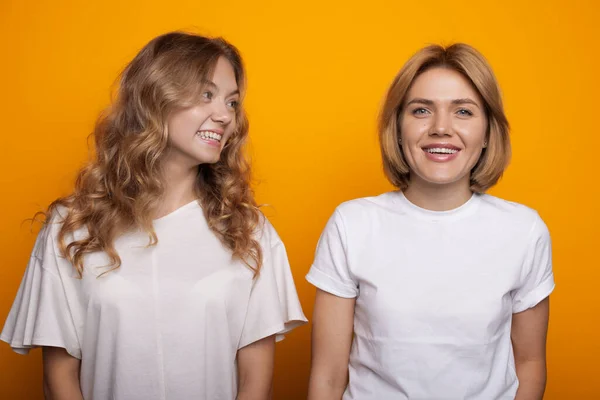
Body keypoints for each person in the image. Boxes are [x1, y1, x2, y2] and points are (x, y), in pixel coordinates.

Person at [1, 31, 306, 400]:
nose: (225, 115)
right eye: (206, 95)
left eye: (232, 102)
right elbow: (59, 378)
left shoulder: (249, 232)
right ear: (156, 98)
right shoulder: (72, 227)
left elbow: (256, 384)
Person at [306, 43, 554, 400]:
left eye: (463, 112)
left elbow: (530, 364)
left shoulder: (524, 231)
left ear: (487, 133)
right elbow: (327, 376)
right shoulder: (352, 224)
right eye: (421, 110)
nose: (441, 128)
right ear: (398, 127)